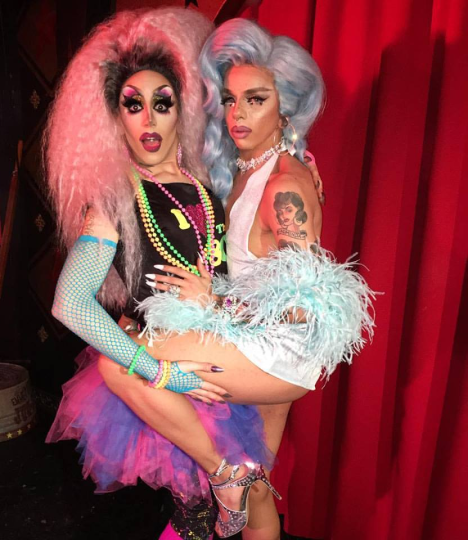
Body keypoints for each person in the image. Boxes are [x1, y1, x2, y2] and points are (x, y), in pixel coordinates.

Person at [95, 18, 374, 540]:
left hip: (279, 350)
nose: (237, 114)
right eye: (229, 99)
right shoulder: (246, 169)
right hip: (250, 337)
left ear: (286, 108)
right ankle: (237, 484)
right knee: (259, 484)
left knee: (119, 363)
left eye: (256, 100)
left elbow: (303, 308)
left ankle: (224, 476)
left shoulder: (285, 185)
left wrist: (214, 304)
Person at [44, 8, 278, 540]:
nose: (148, 119)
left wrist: (216, 298)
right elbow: (70, 303)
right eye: (133, 104)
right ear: (115, 116)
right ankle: (222, 482)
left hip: (229, 357)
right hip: (171, 377)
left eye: (162, 103)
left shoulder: (208, 181)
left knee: (253, 495)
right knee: (197, 510)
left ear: (182, 110)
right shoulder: (113, 200)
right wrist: (160, 372)